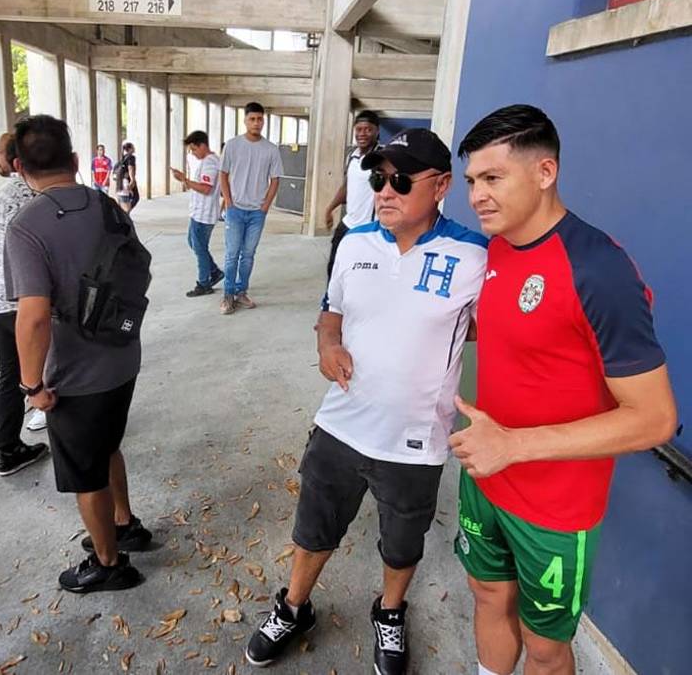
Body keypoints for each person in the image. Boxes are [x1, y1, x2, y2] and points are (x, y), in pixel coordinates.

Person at [246, 129, 486, 674]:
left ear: (442, 185)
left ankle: (390, 611)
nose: (385, 192)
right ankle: (294, 606)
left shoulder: (473, 255)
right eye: (378, 179)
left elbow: (492, 326)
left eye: (401, 180)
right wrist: (327, 341)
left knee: (402, 543)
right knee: (313, 528)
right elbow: (332, 309)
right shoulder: (354, 242)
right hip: (341, 424)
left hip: (415, 442)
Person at [453, 105, 676, 675]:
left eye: (493, 178)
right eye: (472, 180)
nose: (477, 194)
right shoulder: (498, 246)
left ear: (545, 172)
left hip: (555, 507)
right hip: (485, 475)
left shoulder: (599, 269)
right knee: (486, 597)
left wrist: (516, 446)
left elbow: (654, 420)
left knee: (547, 647)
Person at [3, 115, 151, 593]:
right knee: (107, 446)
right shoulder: (107, 204)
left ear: (19, 167)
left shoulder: (26, 226)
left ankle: (110, 563)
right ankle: (125, 524)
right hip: (123, 355)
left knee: (85, 473)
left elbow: (33, 317)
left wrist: (32, 386)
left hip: (75, 374)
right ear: (73, 160)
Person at [0, 132, 50, 475]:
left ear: (18, 161)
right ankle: (52, 419)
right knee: (43, 368)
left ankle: (8, 449)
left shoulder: (10, 193)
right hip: (19, 302)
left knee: (10, 374)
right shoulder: (34, 195)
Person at [219, 102, 283, 315]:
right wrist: (228, 201)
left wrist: (265, 206)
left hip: (257, 212)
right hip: (235, 209)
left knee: (248, 254)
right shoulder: (232, 145)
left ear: (264, 121)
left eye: (260, 119)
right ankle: (228, 295)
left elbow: (275, 179)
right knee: (231, 254)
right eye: (252, 119)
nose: (256, 123)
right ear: (245, 120)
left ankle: (241, 292)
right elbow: (223, 174)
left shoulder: (271, 149)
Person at [323, 110, 382, 279]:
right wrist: (330, 208)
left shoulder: (382, 157)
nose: (362, 134)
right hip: (347, 224)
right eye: (359, 129)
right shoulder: (352, 156)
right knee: (334, 267)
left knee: (360, 274)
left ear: (377, 131)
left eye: (368, 129)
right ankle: (331, 303)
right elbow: (347, 186)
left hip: (369, 228)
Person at [171, 130, 224, 297]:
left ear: (202, 145)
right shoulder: (208, 161)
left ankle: (203, 283)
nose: (193, 153)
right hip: (199, 212)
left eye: (194, 149)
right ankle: (214, 271)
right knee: (193, 243)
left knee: (200, 248)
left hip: (204, 214)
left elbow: (206, 189)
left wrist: (184, 180)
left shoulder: (209, 163)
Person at [114, 141, 140, 212]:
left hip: (121, 181)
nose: (134, 148)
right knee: (135, 197)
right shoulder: (131, 157)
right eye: (133, 147)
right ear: (130, 149)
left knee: (125, 197)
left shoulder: (123, 158)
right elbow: (130, 168)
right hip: (127, 180)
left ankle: (123, 213)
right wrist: (132, 180)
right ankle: (125, 214)